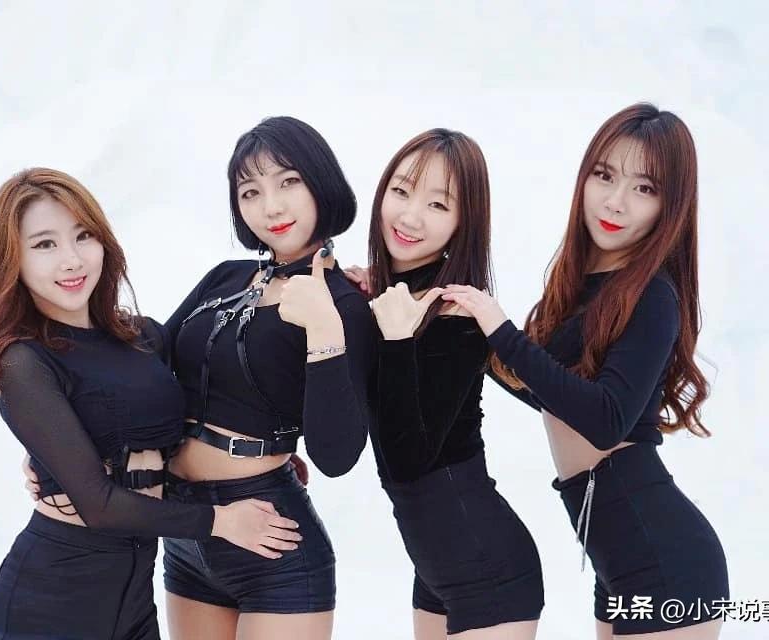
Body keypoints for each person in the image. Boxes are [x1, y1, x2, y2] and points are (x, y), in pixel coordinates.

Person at [0, 168, 299, 640]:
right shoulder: (24, 361)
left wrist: (261, 456)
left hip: (135, 609)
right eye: (44, 245)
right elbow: (99, 506)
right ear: (12, 260)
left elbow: (217, 371)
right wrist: (222, 521)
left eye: (83, 236)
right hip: (48, 610)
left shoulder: (143, 337)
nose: (71, 260)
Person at [441, 104, 729, 638]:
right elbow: (552, 394)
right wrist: (465, 330)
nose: (616, 201)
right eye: (604, 175)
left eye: (644, 188)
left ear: (671, 205)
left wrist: (502, 332)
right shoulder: (582, 286)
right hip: (616, 561)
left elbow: (605, 419)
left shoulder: (653, 296)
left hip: (668, 566)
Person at [158, 116, 374, 640]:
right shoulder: (225, 276)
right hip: (185, 533)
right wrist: (64, 448)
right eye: (250, 192)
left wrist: (324, 328)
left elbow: (336, 456)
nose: (270, 207)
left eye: (288, 182)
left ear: (321, 183)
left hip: (273, 546)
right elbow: (146, 366)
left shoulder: (344, 305)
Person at [351, 128, 544, 639]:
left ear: (464, 222)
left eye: (438, 204)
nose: (410, 216)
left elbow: (409, 461)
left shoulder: (458, 315)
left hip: (490, 574)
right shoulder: (387, 297)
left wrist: (396, 340)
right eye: (401, 191)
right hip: (435, 570)